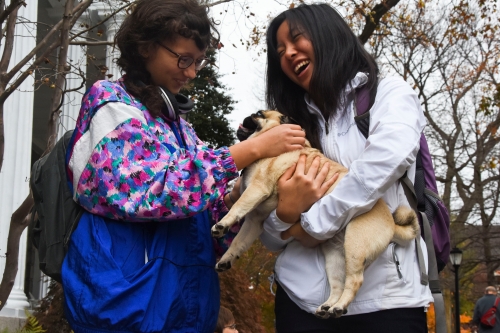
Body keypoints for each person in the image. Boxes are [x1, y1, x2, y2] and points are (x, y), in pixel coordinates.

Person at [61, 1, 307, 332]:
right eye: (183, 59)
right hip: (127, 310)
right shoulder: (110, 104)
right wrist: (250, 150)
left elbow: (206, 232)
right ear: (145, 47)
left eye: (198, 63)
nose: (190, 72)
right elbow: (149, 193)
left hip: (183, 313)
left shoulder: (183, 130)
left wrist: (235, 200)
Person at [259, 3, 434, 333]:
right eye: (280, 50)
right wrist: (283, 216)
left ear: (329, 36)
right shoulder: (287, 127)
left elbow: (382, 164)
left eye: (297, 39)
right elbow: (270, 237)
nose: (289, 53)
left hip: (386, 302)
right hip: (299, 302)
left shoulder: (389, 93)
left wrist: (312, 224)